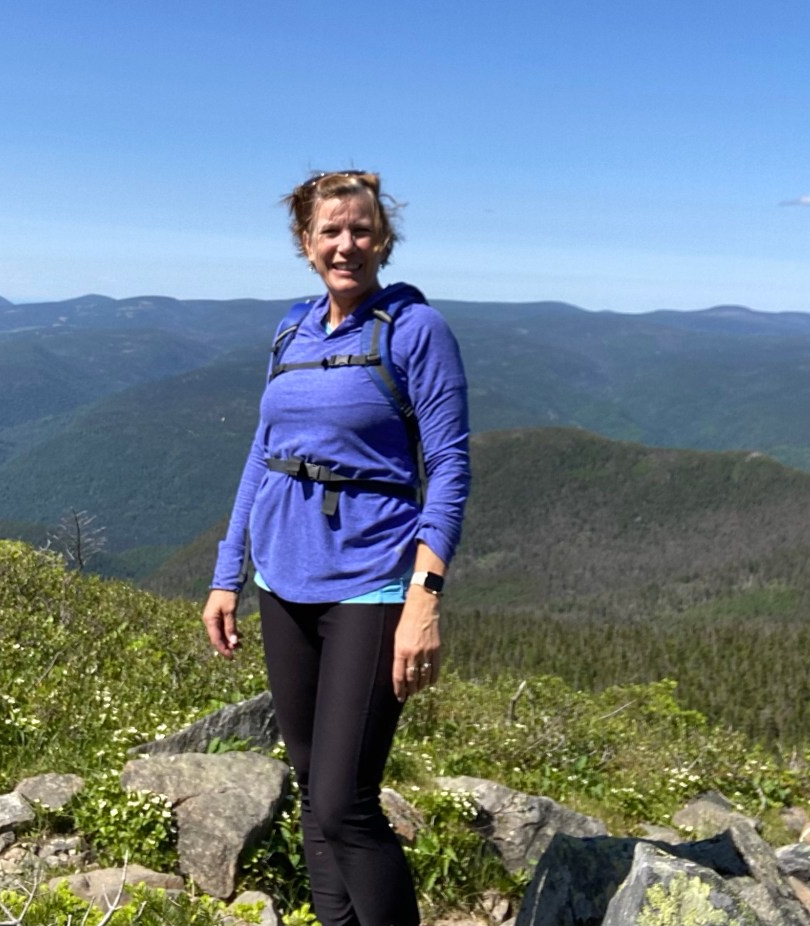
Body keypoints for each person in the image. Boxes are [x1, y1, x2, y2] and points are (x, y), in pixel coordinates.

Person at [202, 170, 470, 926]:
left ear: (383, 239)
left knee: (346, 802)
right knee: (314, 791)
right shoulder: (292, 328)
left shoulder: (414, 330)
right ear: (306, 242)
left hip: (372, 582)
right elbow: (262, 455)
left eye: (361, 229)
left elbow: (450, 467)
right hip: (282, 581)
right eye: (331, 231)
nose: (346, 244)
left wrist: (424, 598)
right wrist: (229, 574)